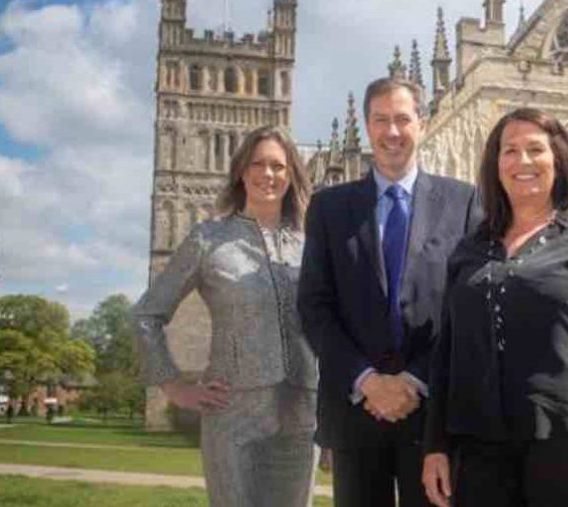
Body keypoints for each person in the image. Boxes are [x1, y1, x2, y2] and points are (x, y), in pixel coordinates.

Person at [422, 108, 568, 507]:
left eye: (535, 150)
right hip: (478, 446)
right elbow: (447, 353)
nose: (522, 161)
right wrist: (434, 445)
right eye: (510, 151)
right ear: (495, 165)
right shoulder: (470, 248)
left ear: (557, 161)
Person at [298, 78, 479, 507]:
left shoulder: (465, 202)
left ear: (423, 122)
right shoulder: (329, 207)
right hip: (355, 410)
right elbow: (315, 307)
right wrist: (368, 382)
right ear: (366, 126)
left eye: (402, 119)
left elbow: (466, 307)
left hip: (433, 414)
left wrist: (414, 379)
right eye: (381, 120)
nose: (392, 132)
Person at [133, 125, 317, 507]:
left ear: (292, 174)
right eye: (258, 164)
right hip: (232, 417)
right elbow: (147, 315)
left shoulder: (312, 240)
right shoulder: (209, 238)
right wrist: (173, 385)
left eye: (279, 166)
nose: (269, 174)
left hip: (302, 417)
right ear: (241, 171)